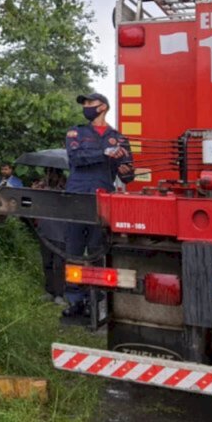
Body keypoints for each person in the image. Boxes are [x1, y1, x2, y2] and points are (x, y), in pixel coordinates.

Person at [62, 92, 133, 319]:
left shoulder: (119, 138)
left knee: (97, 252)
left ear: (103, 107)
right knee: (73, 251)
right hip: (77, 197)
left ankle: (97, 301)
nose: (86, 107)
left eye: (90, 103)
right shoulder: (77, 132)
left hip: (103, 200)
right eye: (84, 104)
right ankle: (74, 301)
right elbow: (76, 158)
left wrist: (125, 171)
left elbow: (129, 174)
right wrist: (104, 154)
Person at [32, 166, 67, 304]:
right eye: (47, 173)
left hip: (60, 231)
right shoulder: (41, 187)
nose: (49, 176)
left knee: (59, 264)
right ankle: (49, 290)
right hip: (44, 229)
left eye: (52, 173)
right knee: (47, 262)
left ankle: (60, 293)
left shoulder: (66, 187)